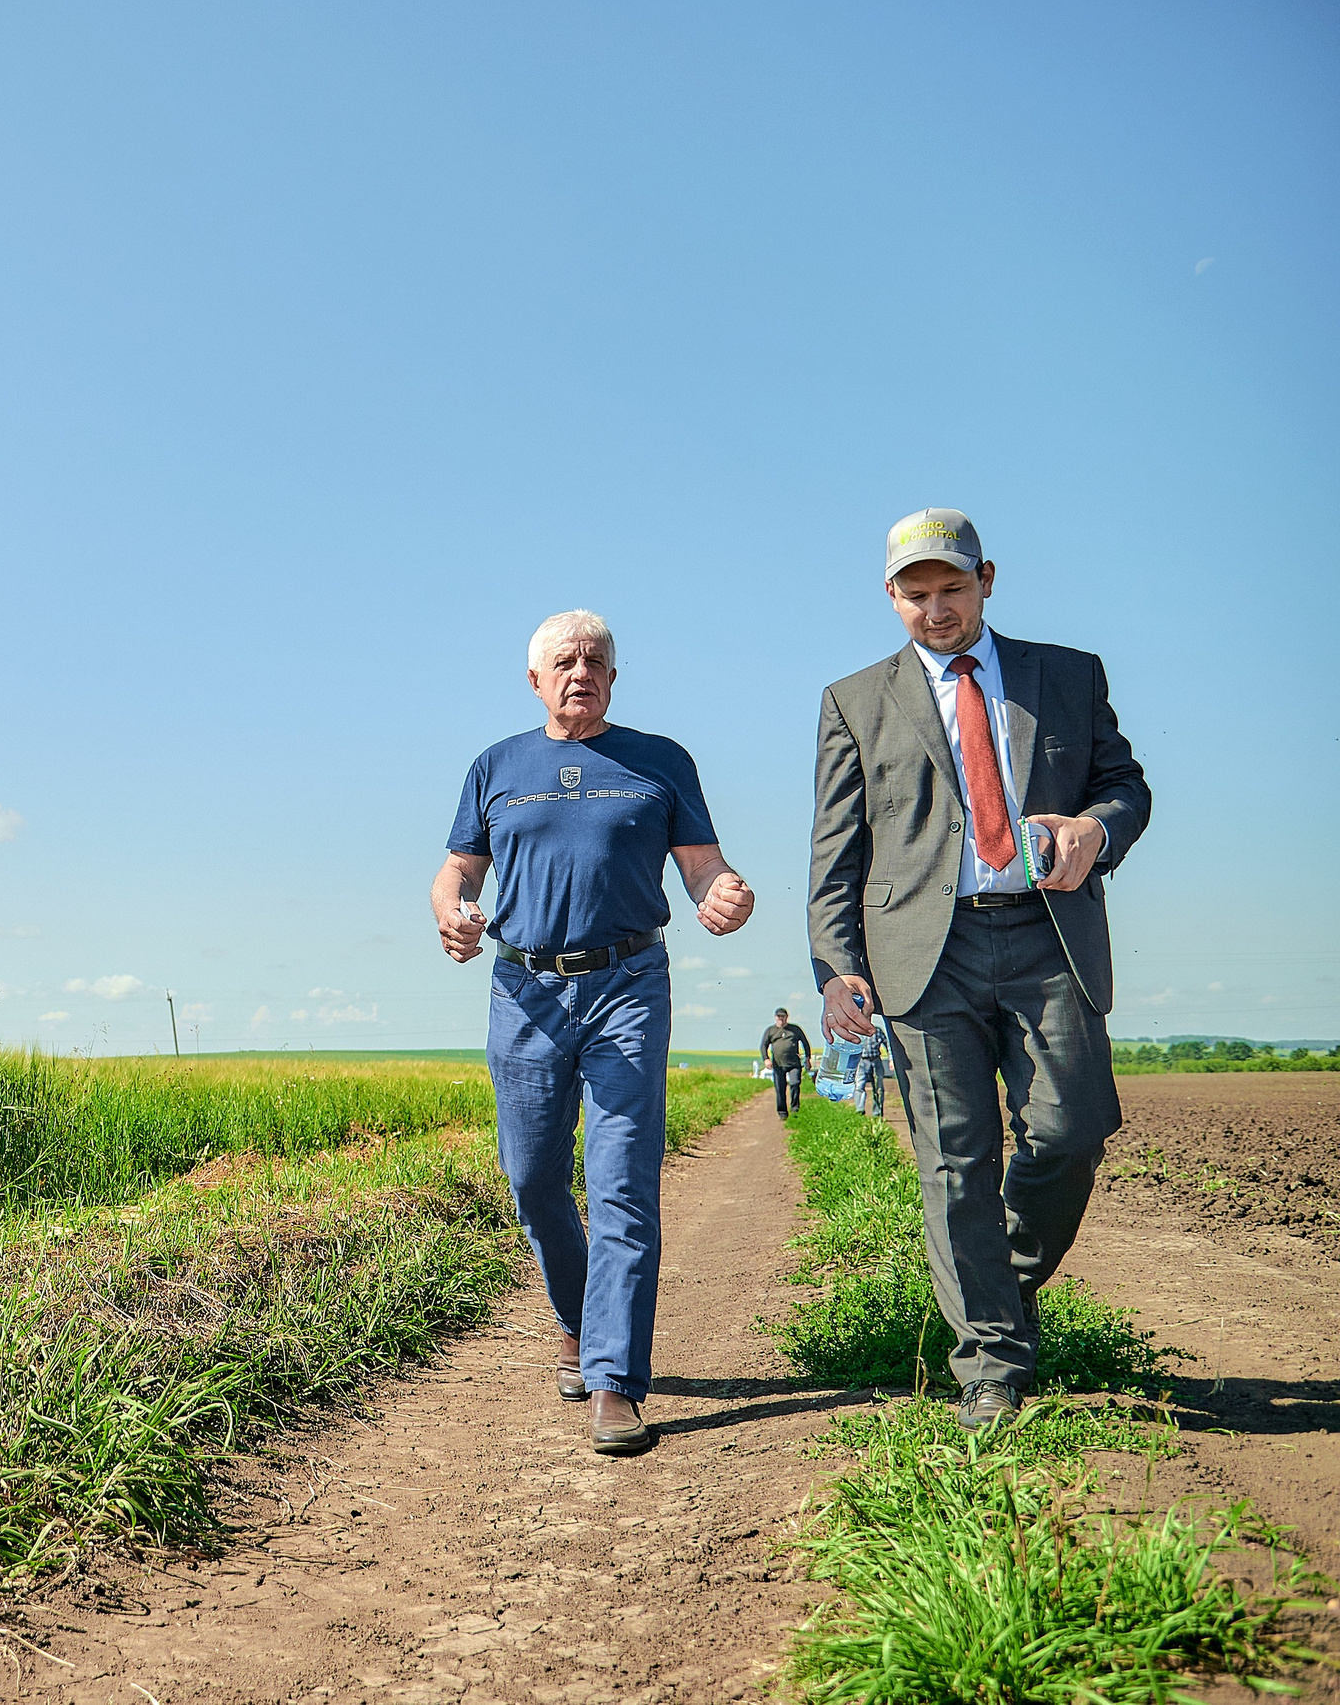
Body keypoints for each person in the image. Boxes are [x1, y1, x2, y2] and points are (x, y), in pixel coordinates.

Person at [809, 509, 1151, 1432]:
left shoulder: (1069, 676)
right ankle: (990, 1366)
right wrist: (836, 967)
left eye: (951, 589)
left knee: (1072, 1129)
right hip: (925, 955)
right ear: (890, 597)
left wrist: (1097, 827)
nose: (935, 609)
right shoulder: (853, 699)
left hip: (1049, 935)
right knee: (956, 1162)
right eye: (915, 595)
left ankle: (998, 1273)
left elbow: (1127, 785)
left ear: (986, 579)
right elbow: (835, 850)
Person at [433, 610, 755, 1457]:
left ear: (615, 678)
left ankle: (614, 1380)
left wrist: (721, 892)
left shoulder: (661, 761)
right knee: (534, 1179)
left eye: (596, 661)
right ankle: (578, 1321)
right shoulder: (496, 766)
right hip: (525, 989)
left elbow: (702, 864)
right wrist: (452, 911)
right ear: (535, 680)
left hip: (628, 985)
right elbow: (459, 869)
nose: (581, 671)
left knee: (620, 1181)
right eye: (564, 661)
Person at [758, 1007, 814, 1116]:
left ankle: (795, 1108)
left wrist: (808, 1058)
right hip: (778, 1064)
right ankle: (782, 1111)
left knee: (795, 1083)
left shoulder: (795, 1029)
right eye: (779, 1017)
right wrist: (766, 1059)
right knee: (780, 1088)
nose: (781, 1019)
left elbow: (805, 1043)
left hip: (794, 1063)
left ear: (786, 1017)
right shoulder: (771, 1030)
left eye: (783, 1017)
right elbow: (763, 1046)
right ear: (775, 1018)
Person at [853, 1016, 892, 1117]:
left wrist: (891, 1059)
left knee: (878, 1087)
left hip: (876, 1060)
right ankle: (860, 1109)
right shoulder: (856, 1031)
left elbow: (888, 1044)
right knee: (859, 1086)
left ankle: (877, 1112)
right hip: (861, 1061)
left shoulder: (877, 1031)